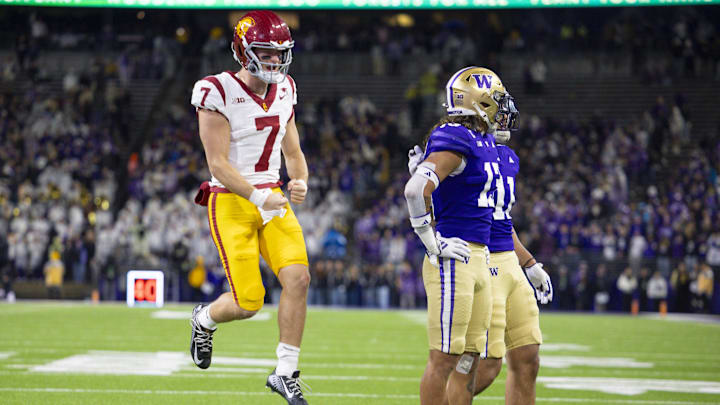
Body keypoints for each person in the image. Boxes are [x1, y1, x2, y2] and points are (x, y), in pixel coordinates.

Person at [188, 11, 311, 405]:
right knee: (248, 303)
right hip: (232, 200)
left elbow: (292, 149)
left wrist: (301, 179)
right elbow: (218, 165)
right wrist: (260, 196)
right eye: (265, 52)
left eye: (279, 53)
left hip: (272, 198)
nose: (274, 61)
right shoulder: (216, 91)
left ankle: (286, 371)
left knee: (298, 278)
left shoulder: (287, 88)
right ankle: (204, 319)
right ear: (244, 51)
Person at [408, 101, 552, 405]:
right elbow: (437, 202)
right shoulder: (462, 145)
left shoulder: (506, 158)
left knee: (527, 356)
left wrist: (529, 263)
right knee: (479, 364)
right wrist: (432, 235)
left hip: (501, 258)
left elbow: (499, 217)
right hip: (479, 258)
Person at [403, 66, 518, 405]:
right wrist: (432, 241)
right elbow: (415, 190)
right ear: (478, 101)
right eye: (496, 99)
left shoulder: (481, 139)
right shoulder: (457, 136)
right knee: (443, 359)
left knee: (469, 360)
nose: (502, 107)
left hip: (479, 256)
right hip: (455, 256)